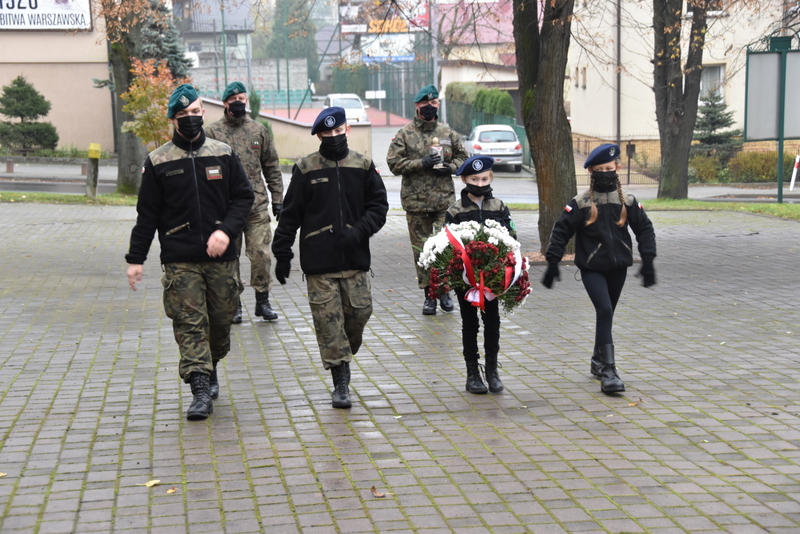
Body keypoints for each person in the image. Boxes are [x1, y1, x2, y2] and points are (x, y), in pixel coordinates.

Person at [125, 84, 254, 420]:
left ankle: (210, 363)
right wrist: (136, 259)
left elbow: (243, 198)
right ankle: (199, 389)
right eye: (183, 115)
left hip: (221, 259)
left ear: (203, 113)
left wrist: (226, 231)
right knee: (189, 323)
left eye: (195, 113)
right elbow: (147, 215)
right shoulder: (158, 161)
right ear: (173, 119)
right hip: (180, 258)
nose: (190, 119)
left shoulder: (223, 153)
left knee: (221, 323)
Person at [272, 107, 388, 409]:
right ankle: (340, 381)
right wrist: (282, 252)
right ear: (320, 135)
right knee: (329, 324)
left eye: (339, 131)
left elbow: (379, 207)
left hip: (356, 259)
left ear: (347, 130)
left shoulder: (363, 165)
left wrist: (359, 231)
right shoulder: (306, 167)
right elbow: (290, 214)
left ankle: (343, 355)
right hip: (319, 263)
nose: (335, 137)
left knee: (359, 315)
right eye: (328, 133)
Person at [541, 143, 656, 394]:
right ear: (591, 171)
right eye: (600, 169)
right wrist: (552, 261)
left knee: (608, 313)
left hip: (619, 268)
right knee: (604, 309)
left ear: (617, 167)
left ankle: (597, 360)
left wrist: (648, 260)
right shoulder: (581, 202)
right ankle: (609, 369)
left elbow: (644, 230)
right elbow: (561, 231)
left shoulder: (627, 200)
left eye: (609, 168)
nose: (605, 172)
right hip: (592, 268)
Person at [205, 81, 283, 324]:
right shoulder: (212, 133)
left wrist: (278, 199)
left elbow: (272, 166)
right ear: (225, 102)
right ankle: (235, 304)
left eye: (242, 98)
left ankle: (262, 301)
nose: (239, 102)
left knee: (261, 254)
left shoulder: (259, 130)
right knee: (230, 259)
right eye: (234, 98)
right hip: (226, 208)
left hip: (257, 205)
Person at [387, 84, 468, 316]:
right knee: (422, 251)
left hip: (444, 202)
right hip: (416, 203)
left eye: (434, 104)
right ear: (417, 106)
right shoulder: (404, 134)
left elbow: (464, 158)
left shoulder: (448, 133)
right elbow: (393, 163)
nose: (430, 107)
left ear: (438, 105)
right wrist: (420, 164)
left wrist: (450, 168)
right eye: (425, 104)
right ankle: (429, 295)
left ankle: (444, 291)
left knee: (445, 249)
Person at [445, 155, 516, 394]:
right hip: (466, 280)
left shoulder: (499, 207)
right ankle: (472, 372)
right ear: (465, 179)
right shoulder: (455, 210)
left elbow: (511, 237)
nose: (480, 182)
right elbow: (448, 245)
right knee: (469, 323)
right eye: (474, 178)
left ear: (490, 178)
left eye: (484, 178)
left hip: (493, 279)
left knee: (492, 322)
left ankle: (492, 369)